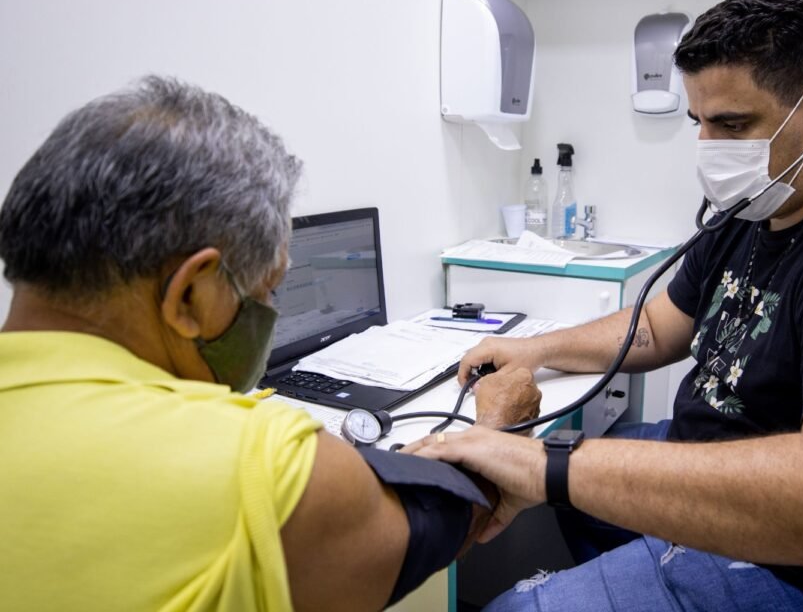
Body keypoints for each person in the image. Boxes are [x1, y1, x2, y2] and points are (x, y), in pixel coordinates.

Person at [407, 0, 803, 610]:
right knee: (574, 480)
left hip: (800, 561)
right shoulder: (758, 205)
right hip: (701, 443)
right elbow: (658, 325)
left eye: (731, 123)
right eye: (699, 121)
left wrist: (548, 471)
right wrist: (536, 351)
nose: (707, 148)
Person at [0, 76, 542, 611]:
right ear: (190, 295)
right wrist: (496, 429)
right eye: (268, 289)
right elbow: (439, 524)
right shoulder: (261, 464)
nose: (270, 310)